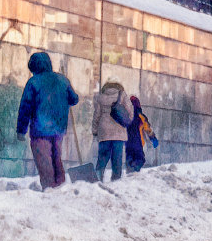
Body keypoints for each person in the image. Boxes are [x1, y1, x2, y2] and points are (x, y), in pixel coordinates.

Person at [16, 52, 80, 190]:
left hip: (41, 130)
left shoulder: (33, 82)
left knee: (45, 162)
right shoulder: (63, 80)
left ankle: (50, 190)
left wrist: (21, 130)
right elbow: (74, 99)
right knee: (57, 159)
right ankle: (60, 188)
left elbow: (25, 108)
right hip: (59, 129)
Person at [93, 77, 133, 181]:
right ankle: (116, 180)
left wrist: (95, 131)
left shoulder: (101, 97)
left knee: (102, 158)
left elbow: (96, 116)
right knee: (117, 159)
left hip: (104, 131)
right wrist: (125, 120)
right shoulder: (122, 95)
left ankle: (98, 178)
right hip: (118, 132)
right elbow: (130, 112)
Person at [125, 95, 159, 173]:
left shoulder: (125, 116)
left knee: (129, 160)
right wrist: (153, 138)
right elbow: (148, 129)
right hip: (138, 143)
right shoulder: (141, 117)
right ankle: (134, 170)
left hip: (128, 143)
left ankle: (130, 171)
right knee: (140, 160)